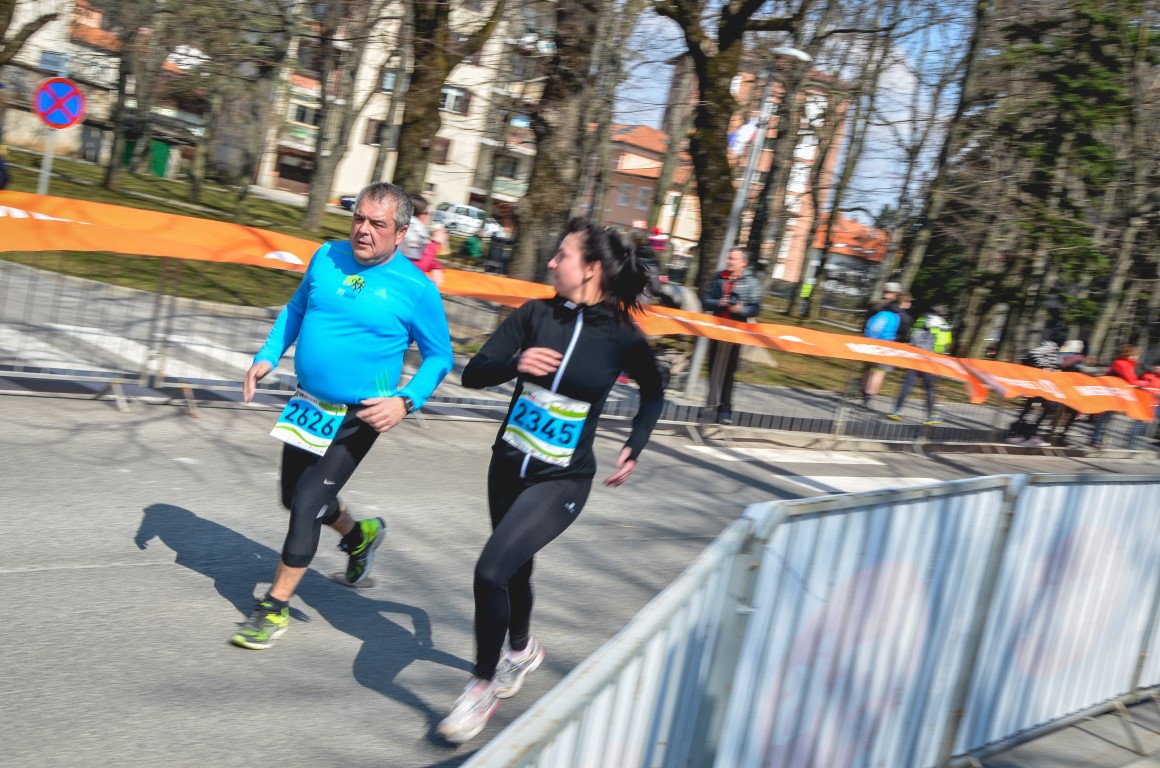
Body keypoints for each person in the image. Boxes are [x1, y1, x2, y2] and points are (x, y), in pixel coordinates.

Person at [436, 217, 665, 744]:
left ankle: (481, 685)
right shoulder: (534, 314)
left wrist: (635, 444)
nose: (551, 262)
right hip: (506, 466)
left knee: (491, 570)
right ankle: (521, 650)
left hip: (562, 480)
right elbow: (474, 372)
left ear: (590, 269)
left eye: (562, 255)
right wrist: (516, 362)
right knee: (514, 569)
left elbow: (654, 393)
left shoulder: (622, 336)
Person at [233, 182, 454, 650]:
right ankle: (359, 537)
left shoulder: (416, 289)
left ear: (401, 233)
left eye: (377, 224)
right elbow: (296, 310)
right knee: (293, 498)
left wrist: (406, 400)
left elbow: (439, 356)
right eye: (358, 219)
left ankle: (273, 607)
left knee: (307, 504)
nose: (363, 230)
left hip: (360, 415)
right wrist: (267, 355)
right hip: (309, 404)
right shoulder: (326, 256)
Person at [701, 248, 762, 424]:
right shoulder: (718, 277)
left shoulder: (751, 282)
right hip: (716, 330)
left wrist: (741, 309)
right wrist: (719, 302)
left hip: (736, 333)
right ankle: (710, 406)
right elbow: (705, 300)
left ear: (743, 263)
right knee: (713, 369)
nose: (729, 261)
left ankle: (725, 409)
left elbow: (756, 308)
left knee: (729, 371)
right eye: (729, 258)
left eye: (733, 259)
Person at [887, 303, 952, 424]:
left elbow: (912, 334)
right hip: (931, 360)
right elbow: (944, 344)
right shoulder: (944, 325)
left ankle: (896, 411)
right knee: (930, 388)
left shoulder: (922, 319)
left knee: (907, 385)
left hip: (916, 356)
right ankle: (931, 416)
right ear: (943, 315)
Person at [861, 290, 913, 405]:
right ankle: (869, 396)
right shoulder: (903, 317)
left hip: (871, 343)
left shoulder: (883, 308)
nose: (910, 304)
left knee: (870, 369)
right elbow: (903, 336)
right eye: (909, 301)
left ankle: (864, 392)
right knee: (879, 372)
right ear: (904, 302)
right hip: (887, 347)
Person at [1089, 344, 1144, 449]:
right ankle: (1096, 441)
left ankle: (1097, 440)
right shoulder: (1123, 364)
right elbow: (1132, 380)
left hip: (1113, 393)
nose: (1137, 357)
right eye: (1136, 355)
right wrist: (1145, 383)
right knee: (1104, 418)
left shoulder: (1124, 364)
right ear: (1129, 355)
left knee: (1105, 418)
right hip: (1111, 393)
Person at [400, 194, 431, 261]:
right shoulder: (416, 231)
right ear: (421, 214)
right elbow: (415, 263)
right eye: (426, 213)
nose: (428, 215)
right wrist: (435, 244)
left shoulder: (400, 224)